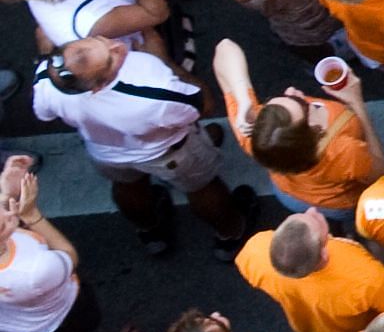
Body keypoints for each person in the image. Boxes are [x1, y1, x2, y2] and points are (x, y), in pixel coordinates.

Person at [29, 31, 255, 255]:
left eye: (100, 40)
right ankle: (231, 233)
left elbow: (44, 114)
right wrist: (164, 60)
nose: (116, 45)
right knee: (203, 188)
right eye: (112, 57)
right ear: (98, 86)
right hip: (169, 153)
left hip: (106, 153)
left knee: (128, 187)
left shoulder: (48, 77)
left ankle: (151, 233)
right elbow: (203, 105)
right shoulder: (152, 88)